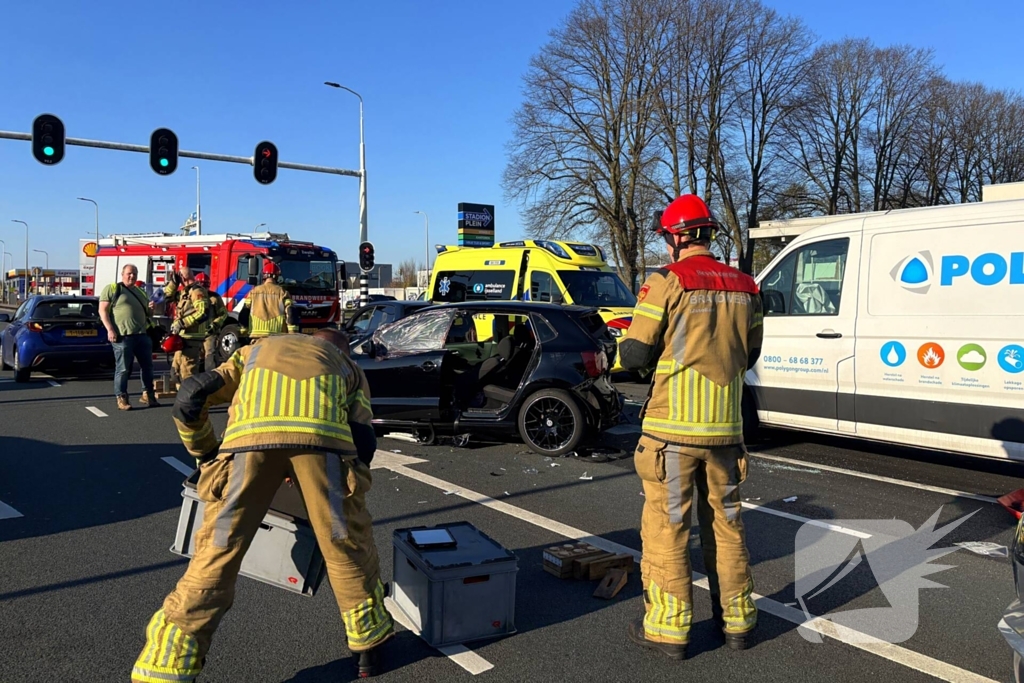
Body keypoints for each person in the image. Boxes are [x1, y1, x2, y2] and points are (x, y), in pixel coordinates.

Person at [131, 328, 393, 682]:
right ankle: (368, 648)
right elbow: (363, 439)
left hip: (247, 445)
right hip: (324, 445)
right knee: (345, 545)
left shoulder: (254, 351)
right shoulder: (346, 366)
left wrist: (208, 455)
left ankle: (167, 665)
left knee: (216, 556)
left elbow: (191, 397)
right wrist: (343, 484)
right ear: (341, 350)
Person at [619, 194, 763, 660]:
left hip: (672, 437)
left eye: (666, 237)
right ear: (709, 232)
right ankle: (738, 624)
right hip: (726, 434)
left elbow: (636, 355)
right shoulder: (747, 286)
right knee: (727, 527)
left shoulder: (667, 282)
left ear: (677, 237)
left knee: (669, 528)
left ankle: (670, 630)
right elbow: (752, 353)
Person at [98, 263, 160, 411]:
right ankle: (121, 397)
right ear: (122, 274)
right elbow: (103, 311)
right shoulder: (113, 289)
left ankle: (147, 395)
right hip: (122, 336)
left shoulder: (141, 292)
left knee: (148, 367)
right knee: (123, 369)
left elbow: (148, 314)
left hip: (142, 335)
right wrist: (110, 330)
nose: (132, 276)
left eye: (134, 274)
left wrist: (152, 309)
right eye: (129, 273)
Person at [164, 267, 211, 387]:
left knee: (188, 373)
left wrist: (182, 323)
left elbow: (202, 313)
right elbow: (167, 297)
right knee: (176, 373)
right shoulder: (185, 292)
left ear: (183, 277)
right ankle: (183, 399)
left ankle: (190, 402)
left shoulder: (197, 292)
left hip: (192, 338)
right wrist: (173, 284)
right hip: (182, 338)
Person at [239, 261, 297, 339]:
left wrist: (244, 330)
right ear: (277, 277)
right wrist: (292, 332)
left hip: (256, 335)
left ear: (263, 276)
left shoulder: (254, 292)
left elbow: (245, 311)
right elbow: (290, 312)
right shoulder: (282, 292)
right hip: (277, 336)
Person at [193, 272, 229, 370]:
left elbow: (223, 314)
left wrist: (215, 325)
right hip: (194, 333)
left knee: (210, 356)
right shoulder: (191, 297)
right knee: (194, 358)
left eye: (205, 286)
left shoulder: (215, 298)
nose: (204, 289)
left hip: (209, 332)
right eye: (201, 286)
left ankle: (210, 377)